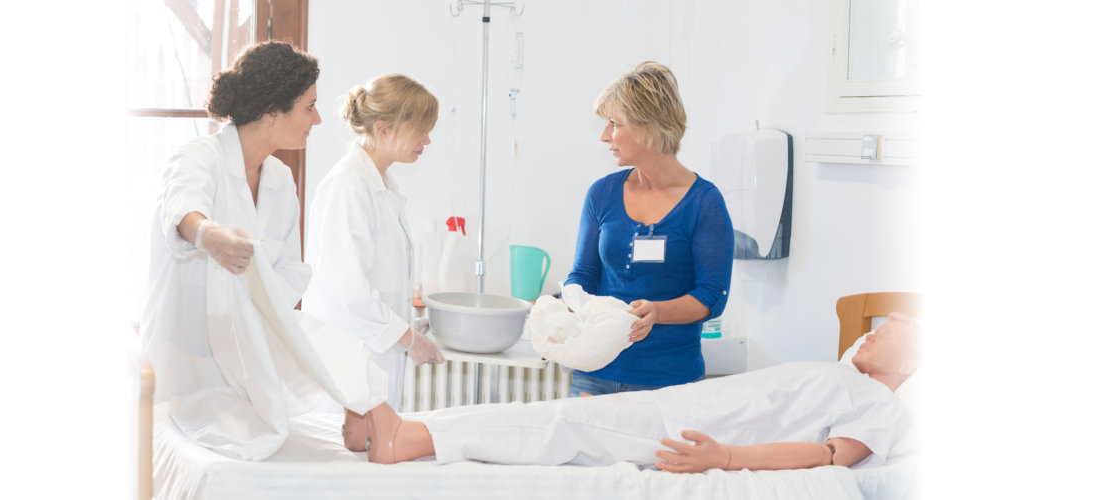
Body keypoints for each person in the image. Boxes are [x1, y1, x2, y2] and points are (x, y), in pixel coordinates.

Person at [348, 313, 922, 472]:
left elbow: (829, 457)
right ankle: (394, 430)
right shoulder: (840, 372)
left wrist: (724, 459)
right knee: (547, 411)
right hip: (676, 403)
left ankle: (403, 439)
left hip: (688, 434)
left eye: (890, 330)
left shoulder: (881, 407)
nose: (873, 330)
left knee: (557, 427)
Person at [138, 41, 321, 456]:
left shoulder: (279, 180)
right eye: (309, 107)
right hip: (184, 365)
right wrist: (209, 236)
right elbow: (183, 210)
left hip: (243, 366)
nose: (318, 119)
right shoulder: (198, 157)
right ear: (272, 111)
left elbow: (288, 270)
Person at [564, 61, 735, 396]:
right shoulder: (601, 194)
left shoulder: (705, 203)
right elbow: (583, 273)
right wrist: (570, 300)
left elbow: (711, 296)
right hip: (595, 374)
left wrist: (659, 312)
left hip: (669, 381)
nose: (604, 136)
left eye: (614, 124)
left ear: (647, 126)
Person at [302, 74, 445, 452]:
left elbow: (376, 284)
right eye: (422, 131)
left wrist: (406, 323)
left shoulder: (381, 186)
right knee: (342, 471)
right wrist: (410, 340)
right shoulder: (348, 187)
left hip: (371, 357)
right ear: (384, 129)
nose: (427, 141)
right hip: (346, 365)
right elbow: (349, 293)